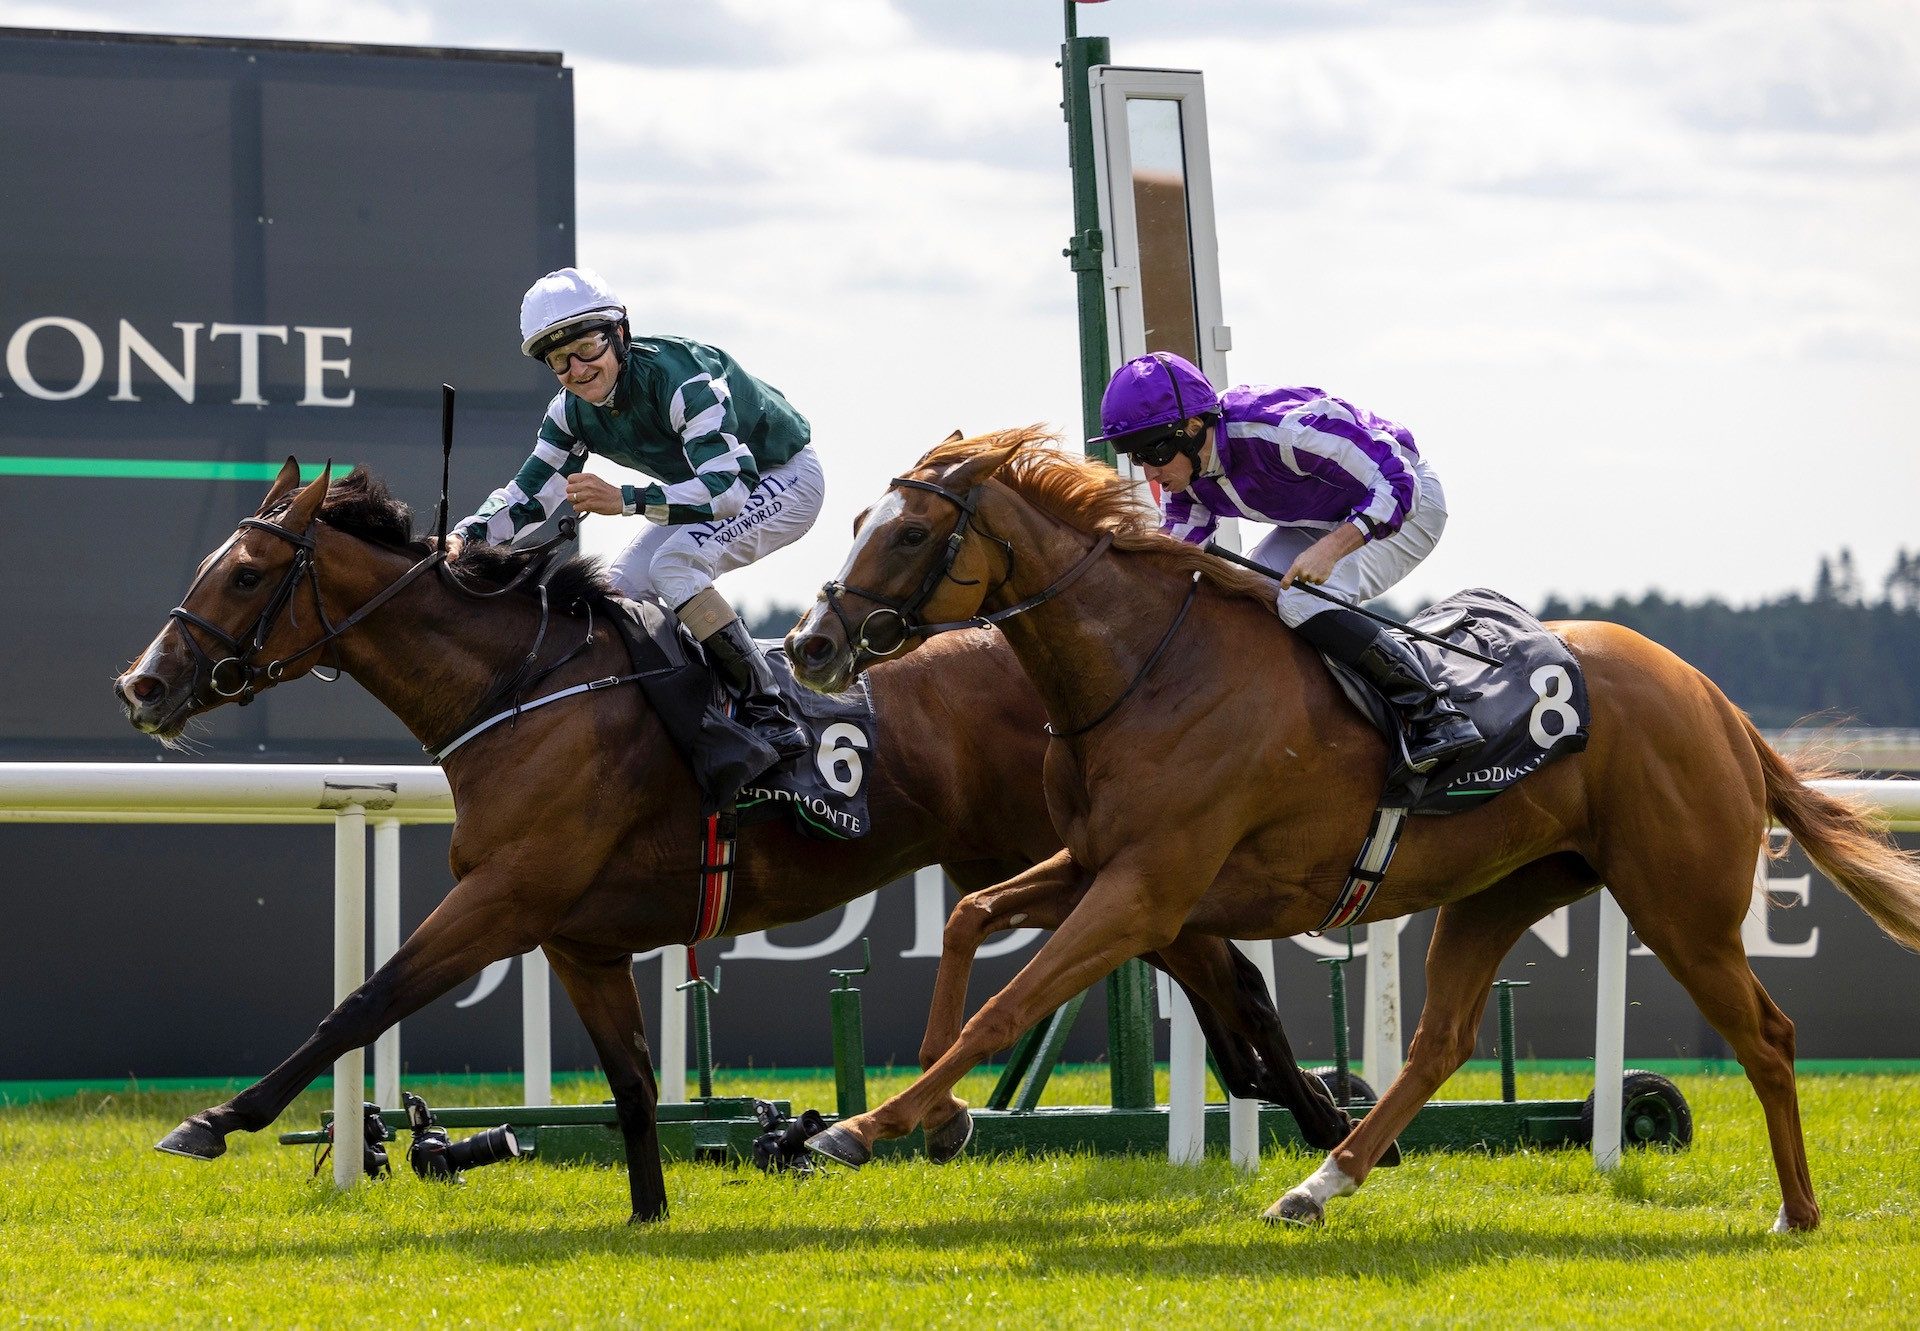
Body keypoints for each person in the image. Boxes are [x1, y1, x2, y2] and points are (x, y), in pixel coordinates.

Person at [449, 266, 819, 761]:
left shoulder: (683, 379)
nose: (577, 370)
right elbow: (530, 496)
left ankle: (767, 711)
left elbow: (729, 491)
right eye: (560, 360)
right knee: (618, 594)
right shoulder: (569, 411)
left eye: (587, 349)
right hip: (708, 490)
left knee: (675, 565)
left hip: (783, 478)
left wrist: (623, 499)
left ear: (619, 333)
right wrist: (464, 537)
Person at [1093, 351, 1481, 774]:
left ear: (1190, 429)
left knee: (1301, 602)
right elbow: (1175, 552)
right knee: (1246, 598)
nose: (1149, 472)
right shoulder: (1187, 475)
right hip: (1325, 518)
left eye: (1153, 453)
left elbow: (1396, 481)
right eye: (1134, 456)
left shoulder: (1283, 430)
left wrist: (1333, 547)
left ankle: (1434, 713)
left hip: (1408, 506)